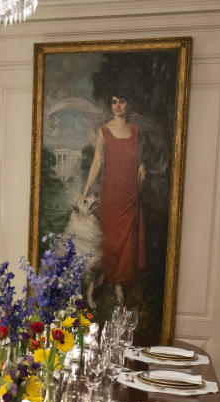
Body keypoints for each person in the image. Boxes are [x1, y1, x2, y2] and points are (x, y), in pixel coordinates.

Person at [75, 91, 146, 305]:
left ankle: (119, 284)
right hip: (112, 191)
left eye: (121, 101)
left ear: (128, 105)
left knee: (127, 241)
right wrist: (86, 190)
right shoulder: (104, 131)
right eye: (114, 102)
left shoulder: (135, 131)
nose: (117, 105)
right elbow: (97, 161)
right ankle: (106, 278)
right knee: (111, 238)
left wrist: (142, 164)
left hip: (130, 193)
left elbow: (139, 155)